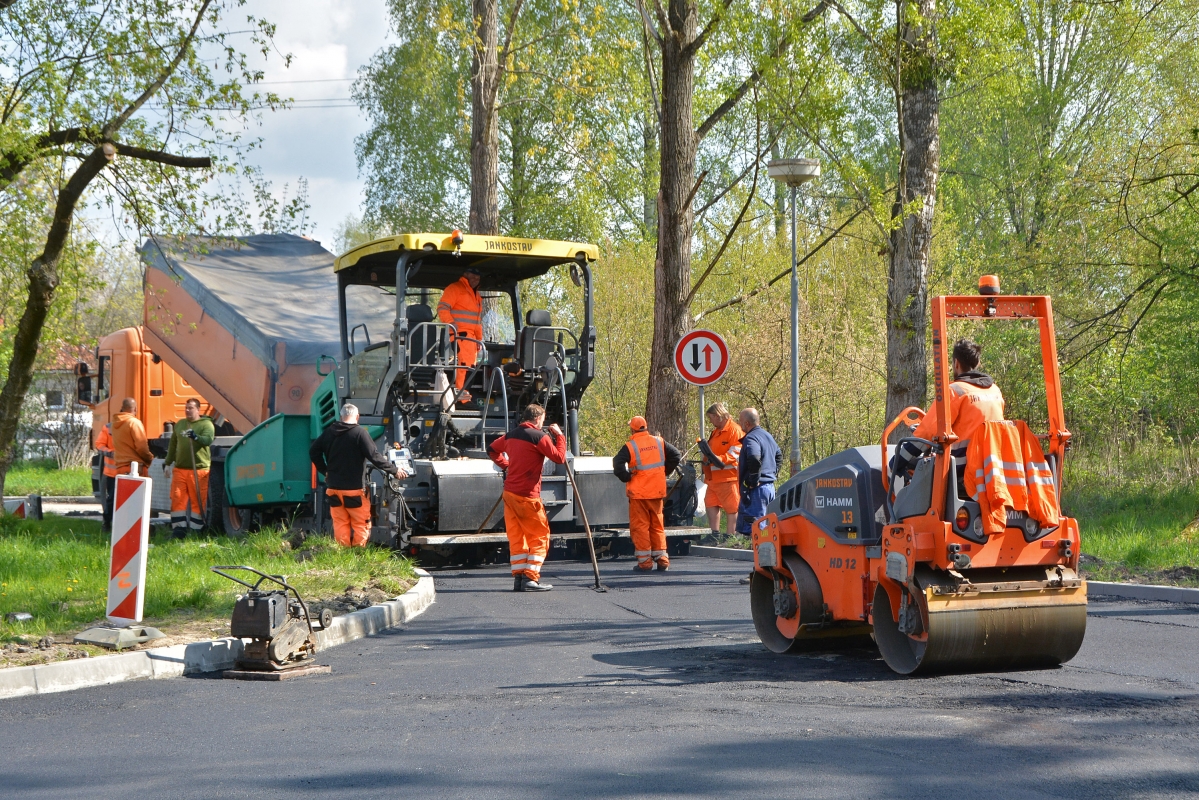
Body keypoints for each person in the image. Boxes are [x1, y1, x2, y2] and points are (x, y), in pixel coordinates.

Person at [894, 338, 1006, 473]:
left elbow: (927, 432)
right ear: (978, 363)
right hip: (991, 468)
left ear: (956, 363)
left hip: (960, 469)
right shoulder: (995, 391)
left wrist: (898, 461)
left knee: (913, 466)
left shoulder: (955, 391)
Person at [488, 404, 567, 592]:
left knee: (517, 537)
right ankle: (531, 578)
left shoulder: (511, 435)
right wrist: (560, 436)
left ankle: (519, 578)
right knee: (540, 537)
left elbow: (492, 449)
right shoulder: (539, 437)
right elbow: (559, 458)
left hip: (510, 494)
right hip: (527, 496)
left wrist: (506, 465)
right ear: (538, 418)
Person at [309, 403, 407, 547]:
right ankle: (358, 555)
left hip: (334, 489)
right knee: (361, 523)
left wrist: (325, 471)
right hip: (354, 490)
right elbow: (374, 456)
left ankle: (343, 556)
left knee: (340, 523)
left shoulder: (329, 432)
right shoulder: (359, 433)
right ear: (357, 416)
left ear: (341, 416)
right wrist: (394, 470)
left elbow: (313, 452)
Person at [613, 416, 682, 572]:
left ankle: (645, 562)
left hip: (638, 494)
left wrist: (626, 477)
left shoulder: (630, 446)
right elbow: (676, 455)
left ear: (632, 429)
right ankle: (662, 559)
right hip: (656, 491)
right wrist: (664, 472)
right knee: (657, 525)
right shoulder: (659, 441)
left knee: (640, 527)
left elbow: (617, 463)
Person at [164, 398, 215, 539]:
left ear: (198, 410)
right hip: (180, 469)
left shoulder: (206, 424)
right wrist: (168, 463)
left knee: (197, 500)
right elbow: (173, 445)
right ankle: (179, 531)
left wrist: (196, 437)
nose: (187, 410)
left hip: (198, 469)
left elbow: (208, 440)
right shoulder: (180, 425)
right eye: (186, 408)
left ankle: (196, 531)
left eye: (191, 408)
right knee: (177, 498)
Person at [436, 266, 483, 403]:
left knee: (469, 369)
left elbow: (477, 321)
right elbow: (442, 307)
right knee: (463, 366)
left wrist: (479, 339)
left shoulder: (477, 296)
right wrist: (451, 323)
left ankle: (464, 398)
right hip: (460, 335)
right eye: (473, 277)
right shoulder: (455, 288)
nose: (475, 280)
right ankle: (460, 399)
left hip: (472, 339)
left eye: (478, 278)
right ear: (465, 274)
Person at [698, 402, 743, 538]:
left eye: (711, 418)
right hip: (713, 478)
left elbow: (736, 453)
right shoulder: (716, 432)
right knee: (711, 504)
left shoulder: (734, 430)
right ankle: (714, 534)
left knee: (732, 508)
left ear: (718, 416)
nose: (710, 421)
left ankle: (730, 536)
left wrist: (718, 459)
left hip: (729, 477)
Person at [736, 408, 782, 535]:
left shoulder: (751, 438)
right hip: (769, 488)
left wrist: (753, 480)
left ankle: (755, 553)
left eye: (740, 422)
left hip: (757, 491)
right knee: (767, 526)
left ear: (747, 423)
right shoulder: (767, 436)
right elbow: (779, 456)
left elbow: (754, 458)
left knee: (756, 528)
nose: (739, 425)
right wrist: (772, 473)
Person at [94, 422, 117, 532]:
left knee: (112, 500)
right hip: (113, 473)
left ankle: (108, 523)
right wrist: (111, 453)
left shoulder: (134, 425)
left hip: (127, 472)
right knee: (112, 500)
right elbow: (99, 445)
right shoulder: (108, 428)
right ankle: (107, 523)